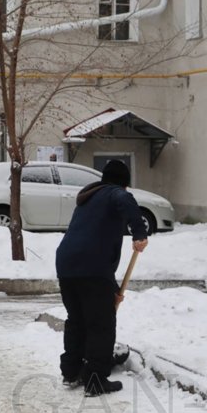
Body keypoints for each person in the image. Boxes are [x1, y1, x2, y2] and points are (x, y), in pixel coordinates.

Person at [55, 160, 148, 396]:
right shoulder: (114, 193)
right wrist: (139, 233)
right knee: (101, 324)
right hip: (92, 266)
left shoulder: (89, 198)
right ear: (124, 182)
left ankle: (72, 372)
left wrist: (111, 288)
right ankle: (95, 380)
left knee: (77, 320)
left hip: (67, 264)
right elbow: (123, 199)